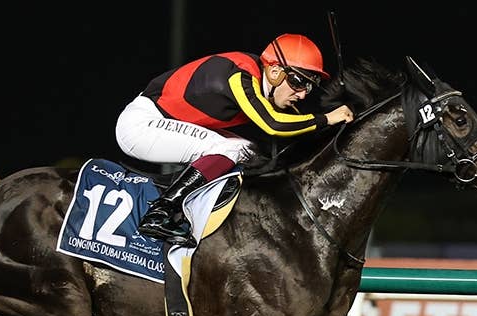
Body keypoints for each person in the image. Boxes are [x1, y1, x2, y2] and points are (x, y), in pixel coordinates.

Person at [115, 33, 354, 247]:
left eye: (308, 87)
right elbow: (274, 124)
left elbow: (300, 123)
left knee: (246, 150)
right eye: (298, 82)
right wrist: (327, 118)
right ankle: (160, 214)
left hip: (161, 122)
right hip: (141, 124)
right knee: (226, 149)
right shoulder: (239, 75)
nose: (301, 94)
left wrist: (337, 118)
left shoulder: (261, 81)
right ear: (274, 72)